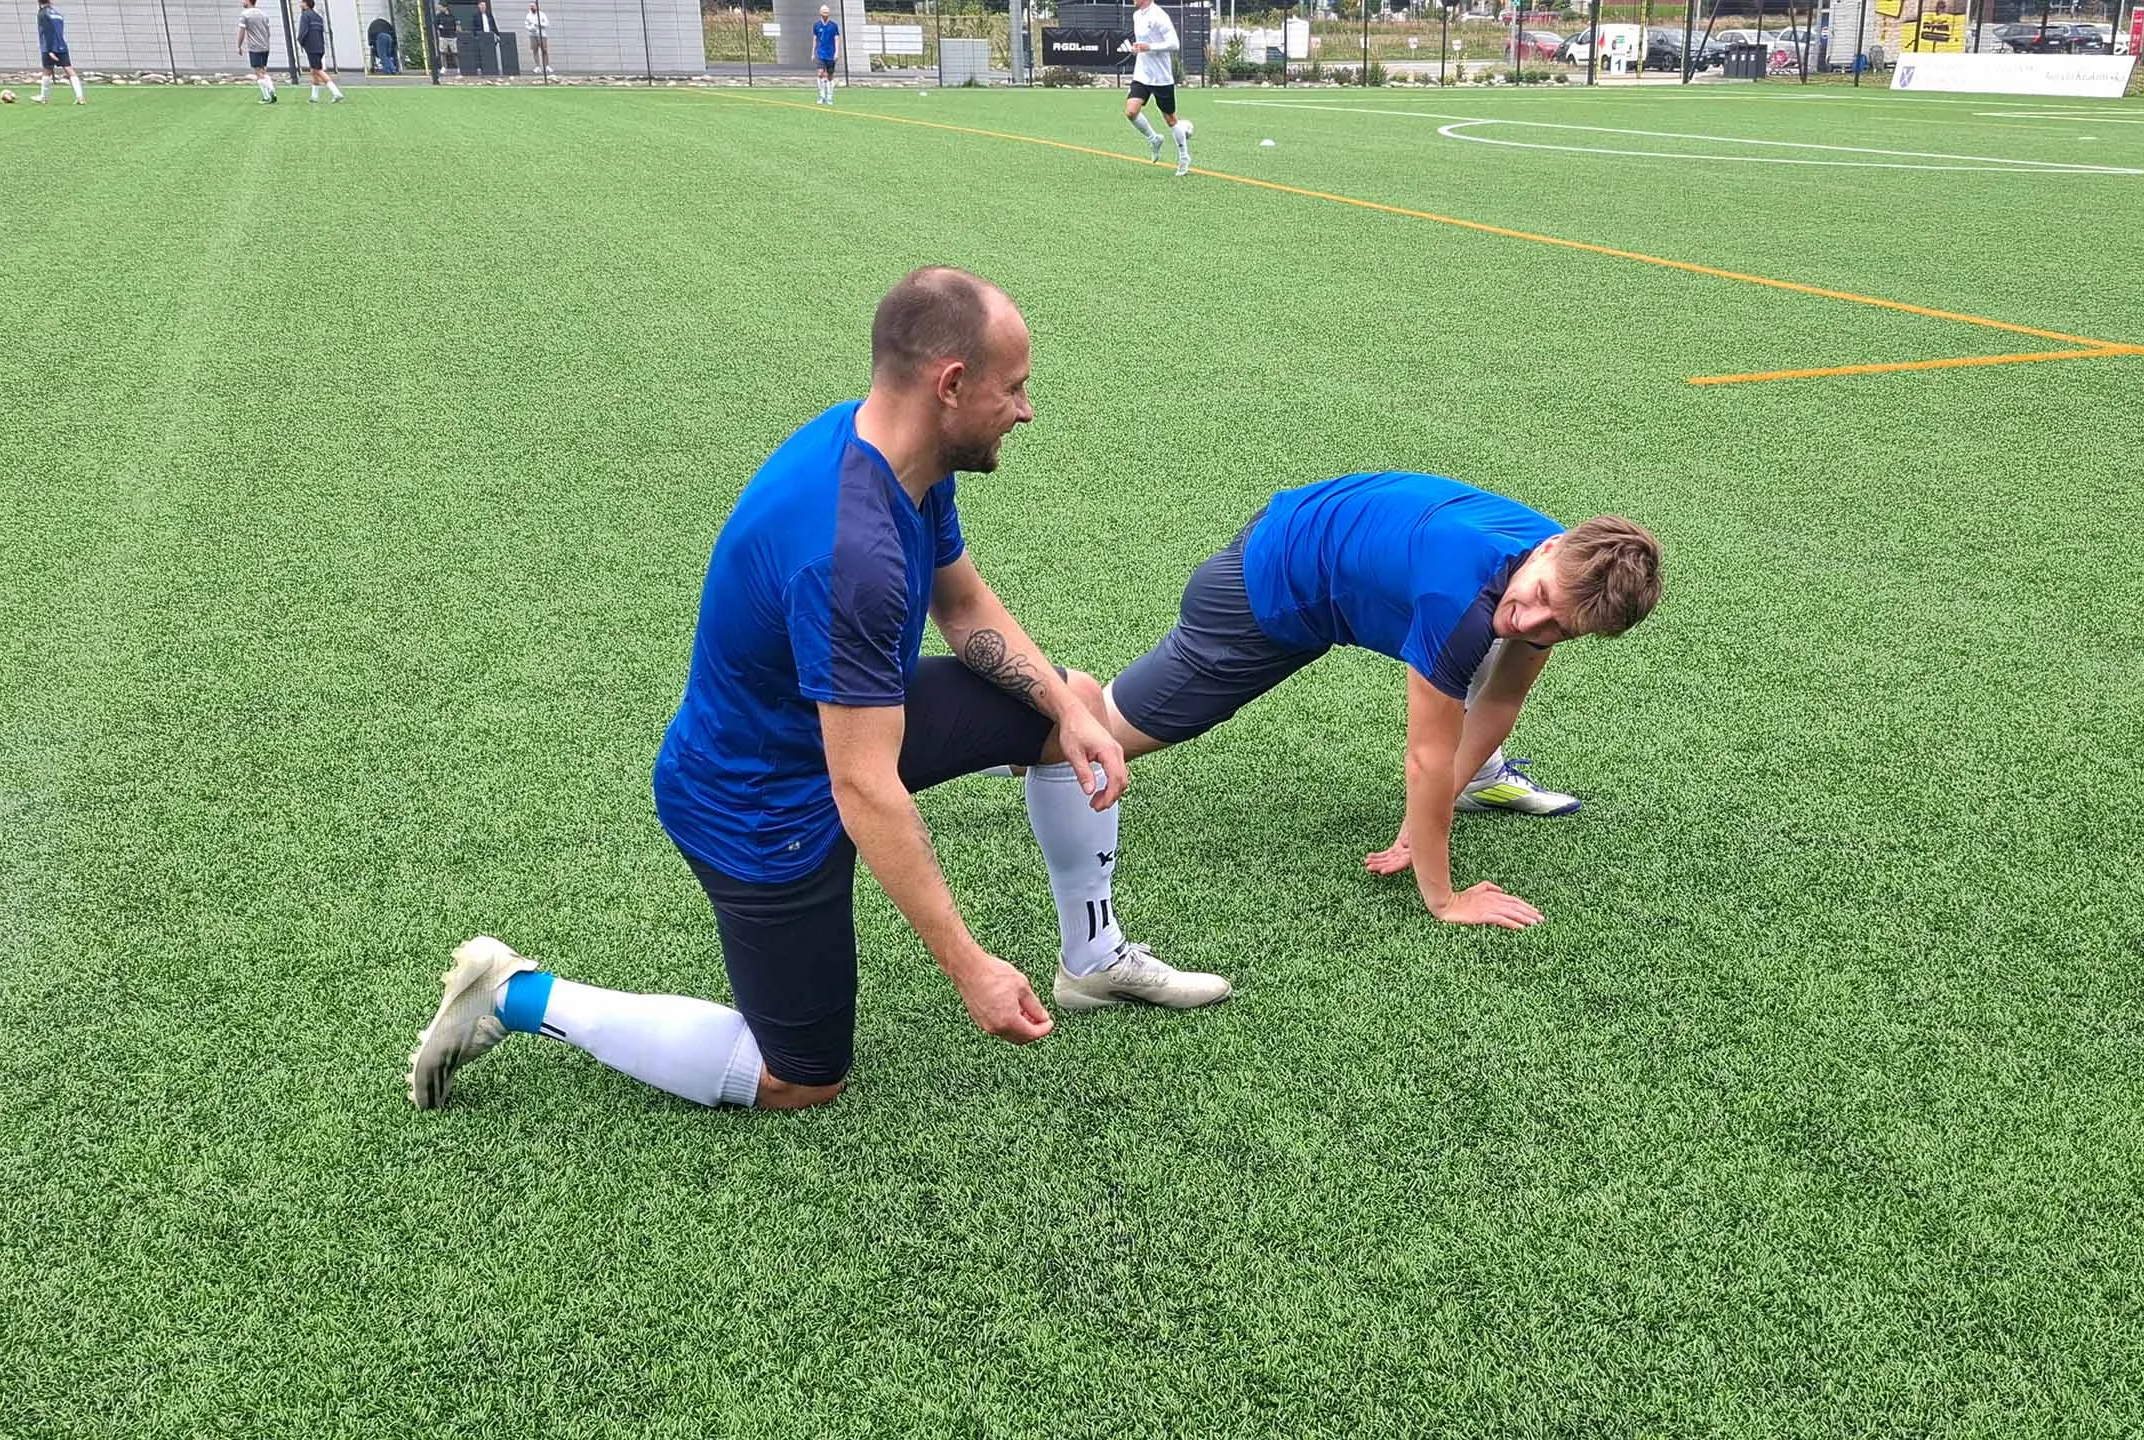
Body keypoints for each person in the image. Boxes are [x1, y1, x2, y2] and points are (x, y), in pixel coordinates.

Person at [409, 267, 1231, 1116]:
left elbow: (960, 606)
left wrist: (1063, 711)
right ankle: (512, 994)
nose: (1025, 410)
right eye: (1014, 388)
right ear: (951, 385)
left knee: (1078, 704)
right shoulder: (849, 555)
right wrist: (969, 966)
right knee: (801, 1080)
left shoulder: (900, 451)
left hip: (841, 724)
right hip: (758, 799)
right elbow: (863, 787)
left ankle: (1092, 961)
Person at [1091, 474, 1663, 931]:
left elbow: (1503, 696)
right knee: (1100, 735)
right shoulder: (1457, 596)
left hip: (1328, 538)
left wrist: (1433, 807)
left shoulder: (1563, 567)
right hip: (1267, 588)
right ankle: (1040, 725)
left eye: (1559, 628)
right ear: (1550, 549)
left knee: (1490, 639)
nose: (1531, 623)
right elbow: (1426, 759)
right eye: (1539, 597)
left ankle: (1478, 780)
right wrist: (1444, 898)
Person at [1123, 0, 1191, 177]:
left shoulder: (1159, 16)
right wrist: (1137, 48)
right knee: (1131, 111)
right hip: (1142, 75)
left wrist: (1149, 47)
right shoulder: (1136, 15)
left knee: (1171, 120)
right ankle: (1154, 139)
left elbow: (1174, 44)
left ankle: (1184, 157)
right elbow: (1143, 43)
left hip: (1161, 77)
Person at [34, 0, 83, 104]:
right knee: (69, 70)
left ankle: (44, 97)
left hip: (49, 46)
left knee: (47, 70)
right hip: (62, 46)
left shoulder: (42, 14)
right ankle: (80, 97)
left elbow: (48, 32)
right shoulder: (57, 14)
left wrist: (50, 50)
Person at [298, 0, 344, 101]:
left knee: (318, 70)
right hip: (320, 47)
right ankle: (314, 97)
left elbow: (303, 32)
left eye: (302, 2)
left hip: (311, 47)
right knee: (313, 70)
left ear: (306, 4)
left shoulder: (305, 16)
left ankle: (336, 92)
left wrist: (301, 42)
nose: (300, 4)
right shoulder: (318, 17)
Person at [236, 0, 277, 102]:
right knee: (262, 71)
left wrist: (238, 46)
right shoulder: (263, 14)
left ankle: (269, 92)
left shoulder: (245, 14)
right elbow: (268, 32)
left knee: (258, 73)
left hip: (254, 47)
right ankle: (268, 94)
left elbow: (241, 32)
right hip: (265, 46)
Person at [812, 4, 841, 106]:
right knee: (820, 73)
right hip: (821, 53)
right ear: (820, 13)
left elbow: (837, 39)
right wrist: (813, 52)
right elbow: (815, 39)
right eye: (824, 12)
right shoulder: (816, 25)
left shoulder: (833, 26)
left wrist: (837, 52)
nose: (826, 13)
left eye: (827, 12)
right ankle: (822, 96)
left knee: (830, 75)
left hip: (831, 54)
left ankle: (829, 97)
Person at [431, 2, 459, 73]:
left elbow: (457, 24)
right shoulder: (439, 16)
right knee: (443, 52)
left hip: (452, 37)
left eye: (441, 7)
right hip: (443, 37)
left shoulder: (452, 15)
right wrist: (439, 28)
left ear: (445, 7)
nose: (439, 8)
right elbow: (435, 24)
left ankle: (458, 67)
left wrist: (456, 29)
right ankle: (444, 67)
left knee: (455, 53)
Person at [524, 1, 551, 76]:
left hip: (542, 35)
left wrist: (539, 24)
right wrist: (530, 28)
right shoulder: (528, 15)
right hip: (532, 35)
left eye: (533, 6)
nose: (532, 8)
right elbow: (526, 24)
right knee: (534, 50)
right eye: (530, 6)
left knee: (544, 50)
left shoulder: (542, 14)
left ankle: (547, 66)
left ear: (536, 6)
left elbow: (547, 24)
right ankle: (537, 66)